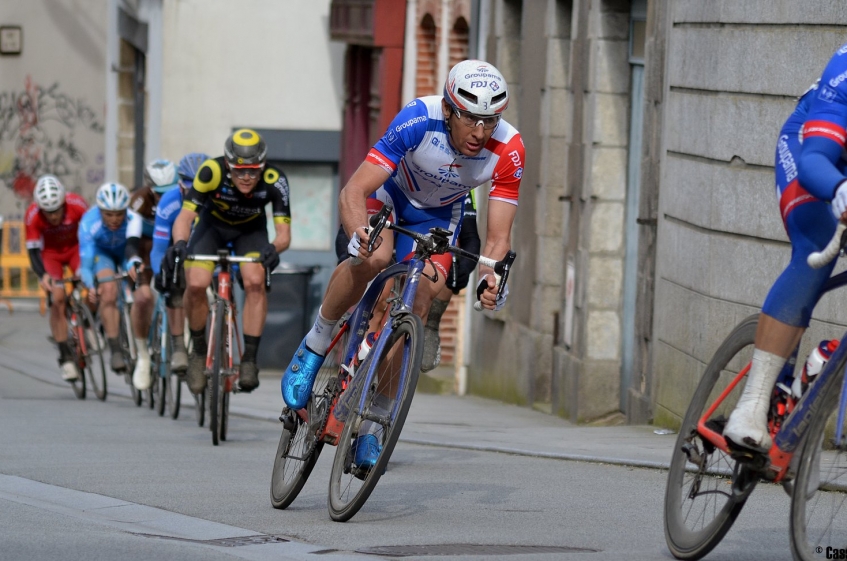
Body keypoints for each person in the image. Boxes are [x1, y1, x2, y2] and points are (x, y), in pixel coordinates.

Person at [281, 59, 524, 469]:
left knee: (420, 300)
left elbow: (499, 238)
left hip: (437, 218)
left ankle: (373, 423)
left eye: (490, 121)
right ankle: (316, 343)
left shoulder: (510, 149)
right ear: (448, 109)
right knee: (374, 258)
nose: (480, 133)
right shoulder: (418, 118)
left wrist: (490, 277)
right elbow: (354, 190)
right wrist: (358, 233)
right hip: (389, 198)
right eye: (470, 119)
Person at [724, 43, 847, 452]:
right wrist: (838, 189)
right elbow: (815, 161)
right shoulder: (846, 69)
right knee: (817, 240)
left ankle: (820, 364)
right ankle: (753, 405)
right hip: (814, 152)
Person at [165, 129, 291, 395]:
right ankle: (199, 352)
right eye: (239, 171)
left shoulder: (275, 179)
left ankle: (249, 360)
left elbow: (284, 234)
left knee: (255, 281)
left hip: (250, 231)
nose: (246, 177)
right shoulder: (211, 171)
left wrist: (274, 248)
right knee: (196, 284)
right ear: (227, 164)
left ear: (263, 167)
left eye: (253, 172)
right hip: (211, 228)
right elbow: (185, 217)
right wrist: (180, 243)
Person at [333, 189, 481, 372]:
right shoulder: (393, 175)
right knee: (379, 297)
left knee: (440, 273)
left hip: (417, 247)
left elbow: (470, 238)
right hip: (385, 245)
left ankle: (430, 322)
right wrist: (349, 260)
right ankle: (357, 370)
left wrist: (462, 269)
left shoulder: (460, 184)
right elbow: (348, 227)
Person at [78, 182, 144, 385]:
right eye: (108, 214)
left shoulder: (133, 218)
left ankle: (144, 341)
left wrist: (134, 264)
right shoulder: (88, 223)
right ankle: (115, 349)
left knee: (140, 288)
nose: (114, 219)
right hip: (102, 254)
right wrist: (91, 285)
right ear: (100, 211)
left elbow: (133, 249)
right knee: (108, 290)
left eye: (119, 214)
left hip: (125, 251)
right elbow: (86, 265)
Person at [24, 175, 89, 381]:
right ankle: (65, 357)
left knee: (90, 283)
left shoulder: (77, 204)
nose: (53, 216)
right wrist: (43, 275)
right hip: (50, 255)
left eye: (57, 210)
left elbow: (91, 234)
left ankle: (90, 324)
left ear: (63, 203)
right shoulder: (32, 215)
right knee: (57, 298)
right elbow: (33, 252)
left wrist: (89, 267)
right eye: (48, 212)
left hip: (75, 249)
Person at [151, 153, 209, 375]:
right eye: (189, 188)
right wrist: (160, 272)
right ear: (180, 185)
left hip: (207, 249)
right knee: (174, 279)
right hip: (178, 249)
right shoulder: (169, 202)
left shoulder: (218, 199)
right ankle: (178, 346)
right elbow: (158, 247)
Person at [125, 159, 180, 389]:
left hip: (171, 247)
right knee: (143, 298)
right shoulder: (139, 201)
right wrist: (133, 259)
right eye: (159, 193)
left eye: (168, 191)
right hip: (146, 250)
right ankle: (143, 357)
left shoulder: (181, 198)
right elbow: (132, 238)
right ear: (149, 189)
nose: (163, 197)